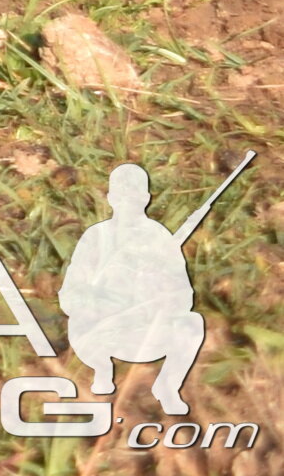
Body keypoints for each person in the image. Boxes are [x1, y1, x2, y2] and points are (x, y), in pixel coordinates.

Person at [60, 161, 211, 420]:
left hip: (147, 331)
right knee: (80, 322)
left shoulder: (160, 238)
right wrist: (102, 301)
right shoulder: (96, 236)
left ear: (146, 198)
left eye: (134, 195)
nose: (128, 202)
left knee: (192, 323)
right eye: (121, 195)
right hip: (103, 330)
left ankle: (168, 386)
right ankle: (102, 370)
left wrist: (157, 293)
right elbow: (70, 294)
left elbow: (183, 296)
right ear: (110, 198)